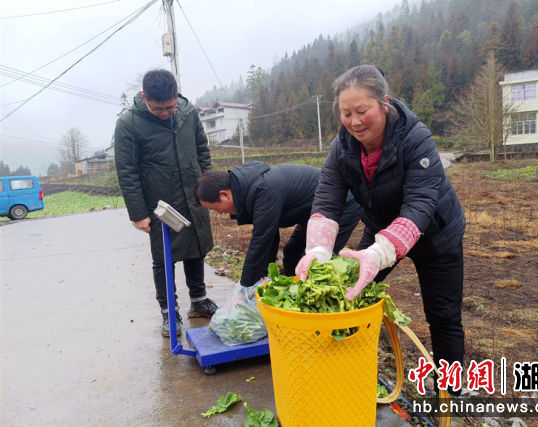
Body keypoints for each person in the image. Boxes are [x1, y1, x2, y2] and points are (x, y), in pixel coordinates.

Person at [295, 65, 466, 391]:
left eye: (363, 111)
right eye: (346, 113)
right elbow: (327, 201)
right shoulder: (341, 148)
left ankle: (451, 392)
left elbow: (419, 206)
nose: (355, 121)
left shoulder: (416, 139)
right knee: (349, 292)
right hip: (381, 230)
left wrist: (381, 251)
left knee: (443, 316)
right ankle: (348, 368)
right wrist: (317, 248)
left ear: (384, 103)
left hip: (436, 235)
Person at [114, 69, 217, 338]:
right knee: (164, 258)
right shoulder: (129, 124)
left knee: (196, 247)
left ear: (177, 97)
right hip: (160, 203)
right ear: (145, 98)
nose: (166, 113)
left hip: (192, 194)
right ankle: (169, 312)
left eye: (170, 106)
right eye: (159, 109)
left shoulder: (187, 111)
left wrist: (206, 186)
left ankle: (199, 300)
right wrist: (138, 213)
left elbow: (202, 150)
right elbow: (127, 171)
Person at [195, 161, 360, 287]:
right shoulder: (248, 188)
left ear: (224, 194)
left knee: (313, 267)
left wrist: (245, 285)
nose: (220, 213)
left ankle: (323, 313)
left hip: (340, 207)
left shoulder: (262, 190)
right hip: (312, 215)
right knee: (292, 253)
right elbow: (270, 236)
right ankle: (293, 301)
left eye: (215, 208)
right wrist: (260, 274)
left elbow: (261, 240)